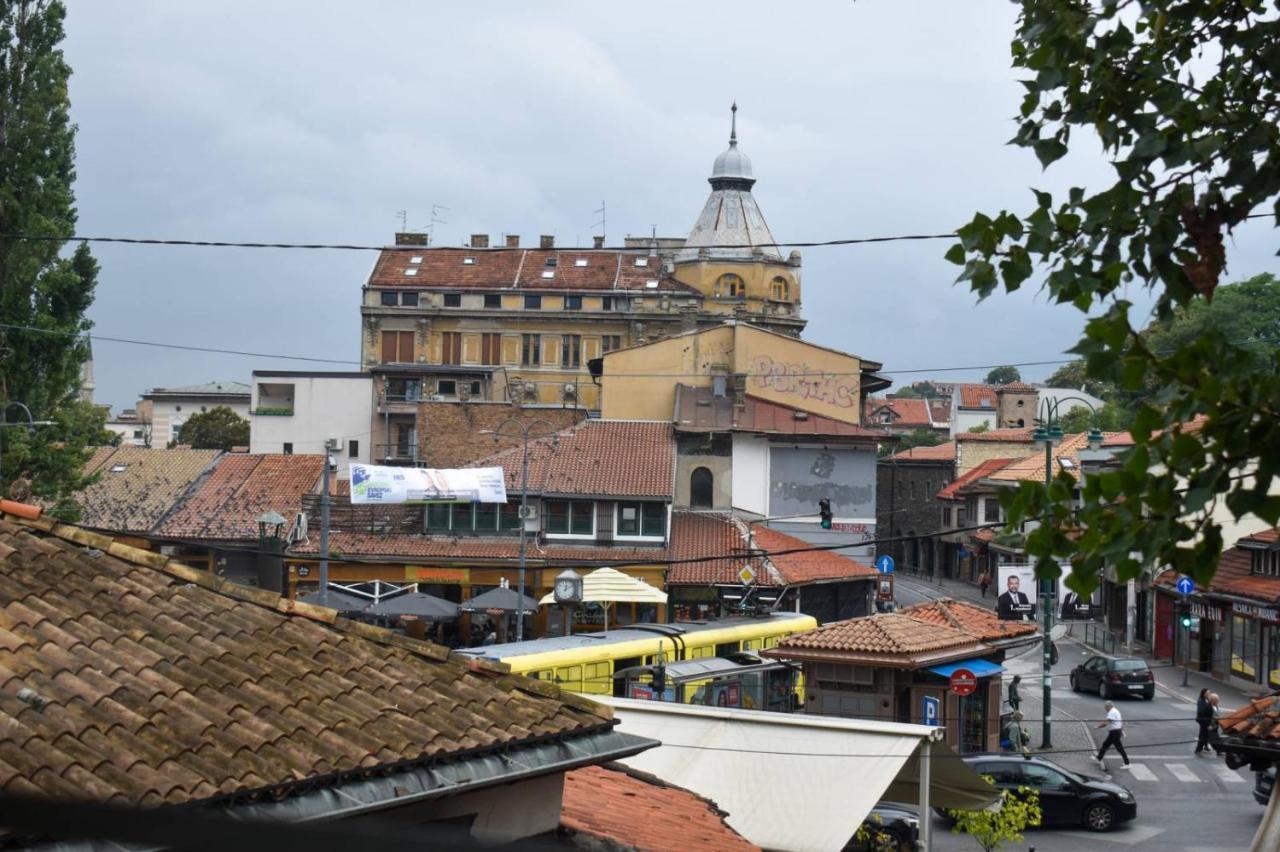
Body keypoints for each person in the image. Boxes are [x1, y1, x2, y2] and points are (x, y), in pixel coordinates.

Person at [1096, 700, 1130, 769]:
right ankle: (1098, 758)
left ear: (1108, 706)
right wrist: (1122, 731)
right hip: (1115, 731)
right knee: (1105, 744)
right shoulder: (1116, 711)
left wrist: (1097, 727)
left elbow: (1106, 723)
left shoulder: (1112, 712)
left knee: (1119, 748)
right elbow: (1120, 722)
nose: (1105, 709)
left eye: (1105, 707)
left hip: (1115, 732)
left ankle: (1127, 763)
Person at [1195, 688, 1213, 755]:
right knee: (1202, 734)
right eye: (1208, 693)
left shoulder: (1207, 700)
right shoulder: (1201, 701)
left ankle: (1202, 747)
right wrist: (1208, 724)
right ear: (1204, 693)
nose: (1209, 694)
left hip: (1206, 720)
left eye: (1209, 693)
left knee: (1205, 734)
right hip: (1203, 720)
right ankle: (1198, 749)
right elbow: (1202, 712)